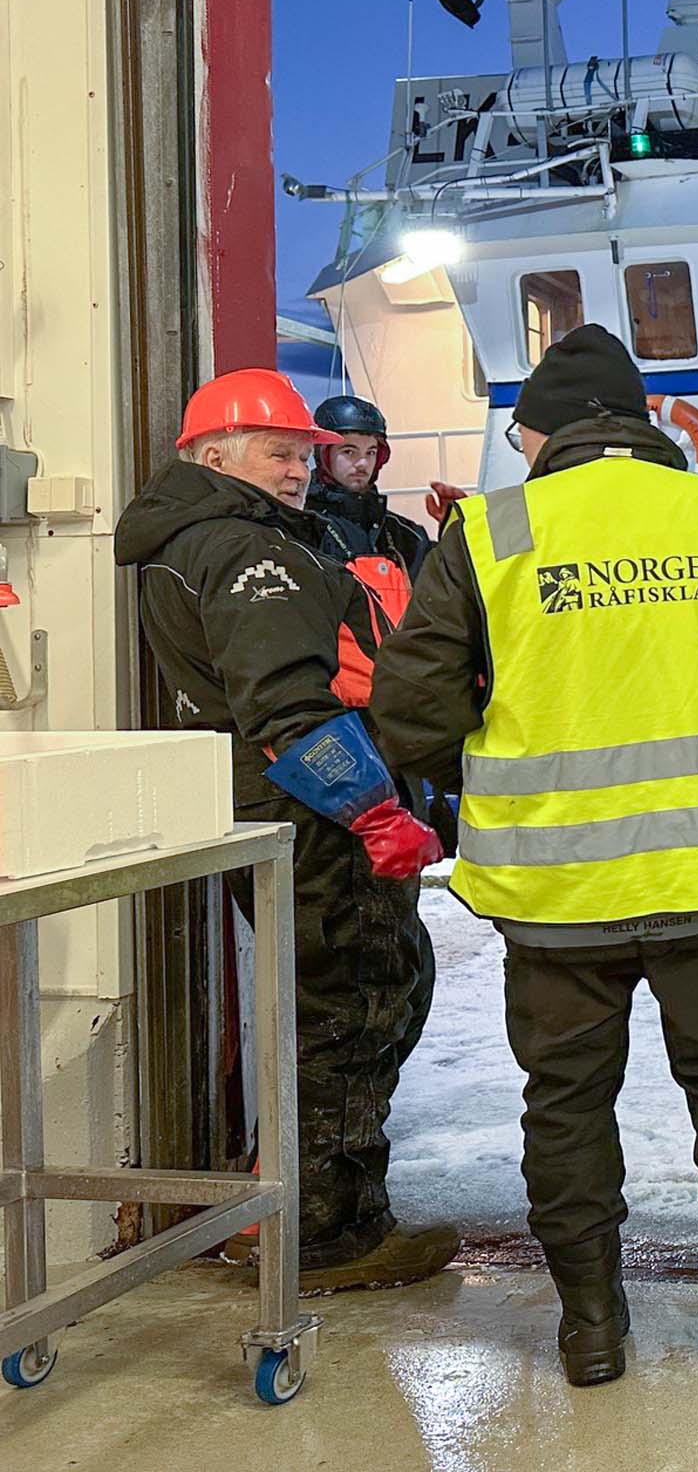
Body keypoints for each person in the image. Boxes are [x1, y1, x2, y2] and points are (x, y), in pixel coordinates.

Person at [370, 323, 698, 1388]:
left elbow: (410, 711)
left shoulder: (492, 531)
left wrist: (503, 785)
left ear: (540, 434)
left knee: (566, 1099)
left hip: (555, 889)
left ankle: (589, 1328)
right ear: (640, 423)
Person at [115, 367, 454, 1293]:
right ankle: (329, 1237)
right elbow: (286, 709)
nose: (301, 469)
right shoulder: (244, 550)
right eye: (279, 452)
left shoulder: (204, 538)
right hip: (312, 814)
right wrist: (375, 812)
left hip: (272, 806)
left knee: (365, 995)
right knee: (352, 1008)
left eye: (306, 453)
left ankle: (295, 1214)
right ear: (212, 455)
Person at [308, 392, 434, 583]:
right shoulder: (303, 527)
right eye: (349, 451)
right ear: (324, 455)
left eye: (371, 452)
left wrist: (454, 525)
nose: (363, 463)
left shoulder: (406, 535)